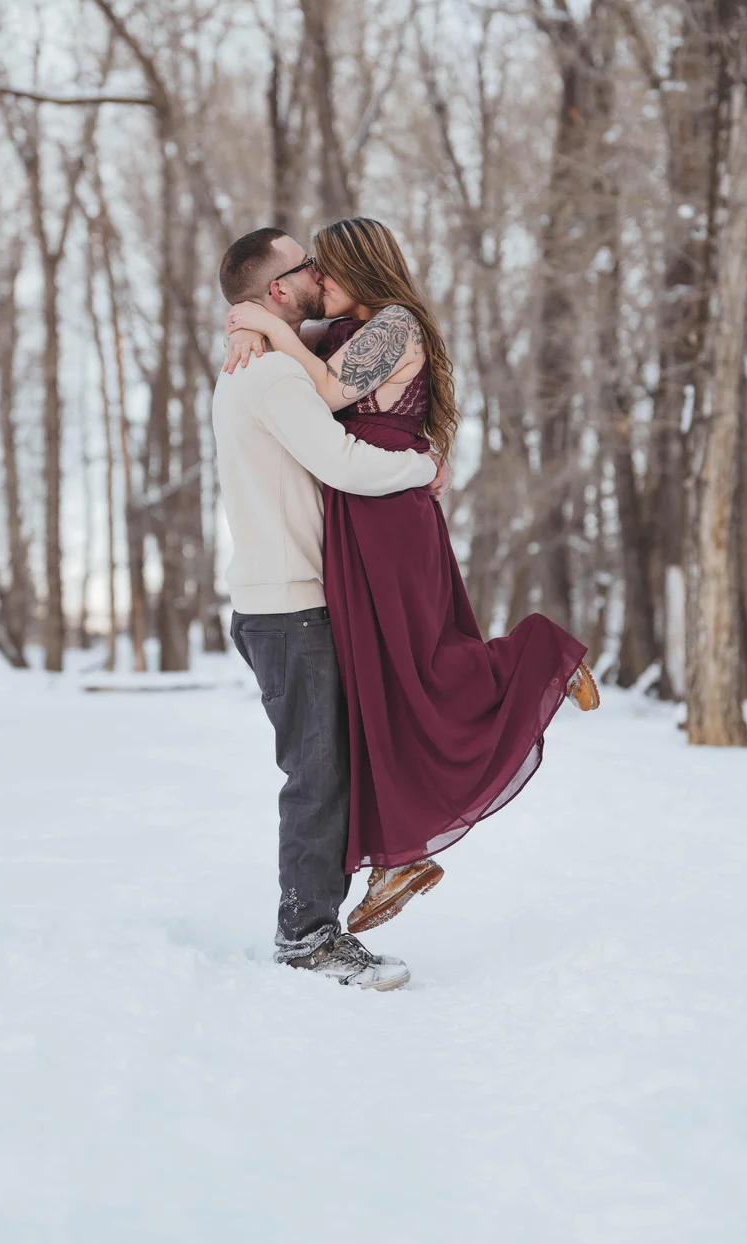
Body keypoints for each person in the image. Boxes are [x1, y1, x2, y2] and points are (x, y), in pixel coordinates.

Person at [224, 217, 599, 937]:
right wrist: (250, 328)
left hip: (388, 508)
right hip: (354, 518)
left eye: (326, 270)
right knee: (378, 693)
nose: (318, 282)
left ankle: (540, 654)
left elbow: (329, 395)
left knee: (416, 667)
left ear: (359, 271)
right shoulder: (334, 333)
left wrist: (266, 331)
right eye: (309, 270)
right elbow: (285, 346)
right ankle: (395, 854)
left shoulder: (394, 324)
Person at [212, 226, 448, 992]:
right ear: (279, 290)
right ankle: (307, 936)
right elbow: (344, 464)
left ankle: (337, 905)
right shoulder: (275, 376)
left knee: (329, 763)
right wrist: (424, 462)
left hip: (282, 600)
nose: (320, 273)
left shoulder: (260, 363)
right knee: (315, 773)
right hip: (290, 606)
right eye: (304, 266)